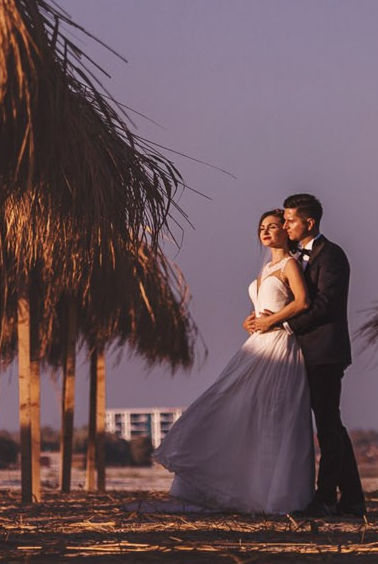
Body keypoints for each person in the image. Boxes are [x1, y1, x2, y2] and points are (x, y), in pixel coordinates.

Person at [150, 212, 315, 513]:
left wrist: (272, 321)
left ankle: (277, 495)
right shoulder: (266, 269)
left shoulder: (289, 264)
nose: (265, 232)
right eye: (262, 228)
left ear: (285, 232)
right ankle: (242, 485)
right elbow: (265, 306)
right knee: (232, 403)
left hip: (280, 344)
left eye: (273, 227)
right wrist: (250, 322)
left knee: (274, 415)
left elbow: (302, 301)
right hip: (258, 343)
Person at [277, 192, 365, 520]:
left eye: (290, 220)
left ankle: (326, 498)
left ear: (309, 222)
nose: (285, 226)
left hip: (325, 352)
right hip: (303, 353)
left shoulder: (332, 256)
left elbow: (326, 305)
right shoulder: (293, 257)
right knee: (333, 427)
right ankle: (353, 499)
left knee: (327, 427)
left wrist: (283, 324)